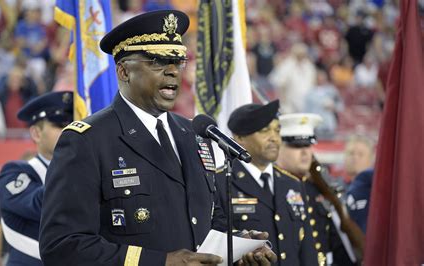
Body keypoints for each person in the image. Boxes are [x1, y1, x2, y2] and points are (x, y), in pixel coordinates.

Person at [40, 10, 276, 266]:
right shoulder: (87, 140)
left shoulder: (194, 134)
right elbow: (61, 245)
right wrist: (159, 262)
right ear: (123, 71)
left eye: (178, 62)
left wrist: (236, 247)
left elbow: (207, 222)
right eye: (157, 62)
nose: (173, 71)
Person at [216, 101, 318, 266]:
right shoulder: (221, 182)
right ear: (239, 138)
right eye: (264, 131)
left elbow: (307, 250)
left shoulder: (292, 184)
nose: (274, 138)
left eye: (277, 130)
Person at [0, 91, 74, 266]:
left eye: (72, 124)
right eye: (60, 125)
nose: (69, 130)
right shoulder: (14, 172)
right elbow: (42, 205)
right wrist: (71, 163)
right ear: (36, 133)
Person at [276, 113, 358, 265]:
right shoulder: (271, 188)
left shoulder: (318, 189)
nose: (305, 152)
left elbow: (336, 241)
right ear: (279, 147)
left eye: (308, 145)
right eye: (297, 146)